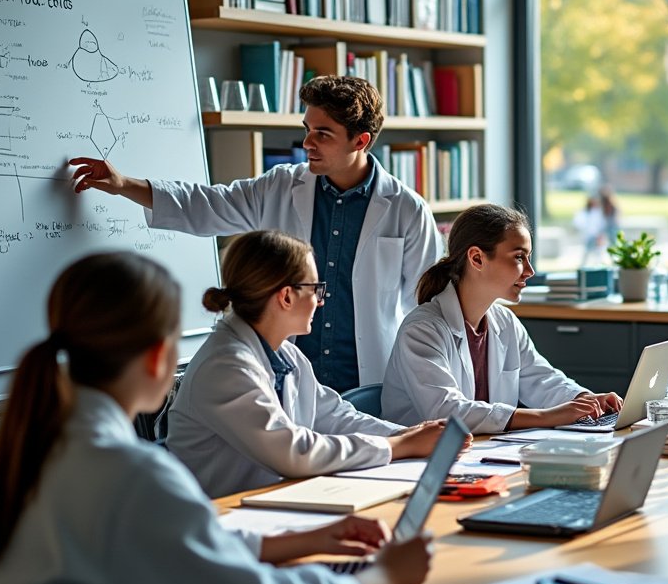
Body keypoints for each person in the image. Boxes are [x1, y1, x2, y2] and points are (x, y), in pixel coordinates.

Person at [0, 252, 434, 584]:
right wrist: (381, 579)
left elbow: (164, 544)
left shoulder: (36, 453)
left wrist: (302, 541)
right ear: (160, 356)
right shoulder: (127, 475)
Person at [68, 75, 439, 393]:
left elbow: (424, 310)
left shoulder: (407, 210)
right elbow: (207, 204)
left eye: (322, 134)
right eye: (307, 130)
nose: (308, 143)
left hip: (368, 382)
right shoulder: (281, 186)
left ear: (360, 141)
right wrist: (124, 184)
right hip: (286, 376)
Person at [167, 230, 451, 498]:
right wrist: (399, 446)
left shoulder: (286, 355)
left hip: (272, 503)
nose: (320, 301)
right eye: (316, 289)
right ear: (286, 296)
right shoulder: (226, 366)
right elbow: (293, 452)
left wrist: (408, 434)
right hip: (223, 521)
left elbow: (334, 417)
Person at [382, 204, 622, 434]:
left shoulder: (505, 322)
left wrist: (584, 399)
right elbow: (447, 411)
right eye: (519, 257)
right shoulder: (422, 330)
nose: (530, 271)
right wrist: (547, 416)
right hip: (422, 463)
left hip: (483, 455)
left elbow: (541, 378)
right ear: (477, 258)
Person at [574, 195, 606, 267]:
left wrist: (600, 235)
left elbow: (601, 224)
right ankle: (583, 266)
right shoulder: (584, 212)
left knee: (598, 253)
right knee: (587, 252)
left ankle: (598, 266)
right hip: (588, 236)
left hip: (596, 236)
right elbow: (579, 223)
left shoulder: (598, 212)